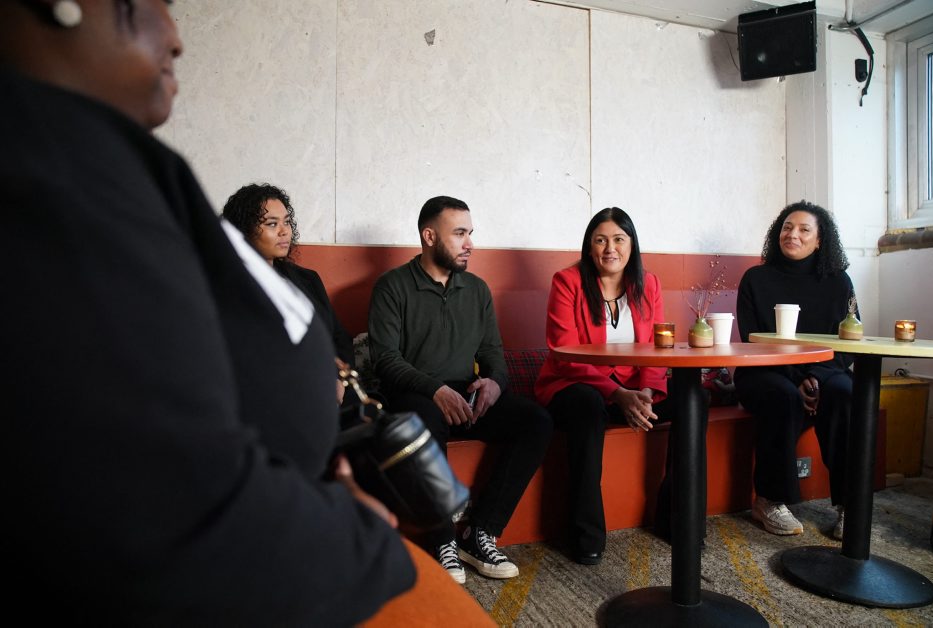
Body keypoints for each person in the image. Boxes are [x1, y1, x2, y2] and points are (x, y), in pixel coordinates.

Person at [0, 1, 489, 623]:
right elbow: (147, 487)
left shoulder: (109, 160)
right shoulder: (44, 178)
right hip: (268, 544)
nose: (176, 36)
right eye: (148, 5)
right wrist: (349, 532)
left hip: (308, 488)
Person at [368, 195, 553, 584]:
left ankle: (479, 532)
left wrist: (494, 383)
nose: (470, 243)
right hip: (415, 394)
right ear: (429, 236)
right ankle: (442, 541)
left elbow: (493, 353)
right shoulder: (392, 286)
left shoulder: (477, 289)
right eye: (459, 233)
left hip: (466, 395)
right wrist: (435, 390)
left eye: (470, 233)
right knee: (423, 419)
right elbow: (386, 360)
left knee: (535, 421)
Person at [535, 207, 701, 563]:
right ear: (589, 246)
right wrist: (617, 394)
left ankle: (677, 519)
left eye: (618, 239)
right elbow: (566, 355)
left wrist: (647, 393)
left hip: (633, 388)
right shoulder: (567, 282)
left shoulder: (648, 284)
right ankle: (586, 535)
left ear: (631, 244)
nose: (610, 248)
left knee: (693, 399)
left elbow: (657, 347)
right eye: (600, 240)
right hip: (574, 385)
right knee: (587, 407)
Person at [735, 200, 855, 539]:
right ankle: (770, 500)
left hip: (825, 372)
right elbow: (751, 339)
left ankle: (850, 503)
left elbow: (848, 342)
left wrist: (815, 377)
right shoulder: (756, 279)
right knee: (782, 395)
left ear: (820, 240)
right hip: (763, 370)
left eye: (804, 229)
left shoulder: (839, 282)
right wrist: (798, 378)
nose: (793, 234)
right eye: (787, 227)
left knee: (845, 393)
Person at [222, 183, 355, 405]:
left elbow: (339, 338)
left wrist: (338, 379)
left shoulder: (308, 280)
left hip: (330, 393)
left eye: (286, 222)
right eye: (272, 224)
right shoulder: (227, 288)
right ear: (243, 231)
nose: (284, 231)